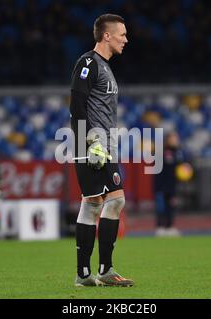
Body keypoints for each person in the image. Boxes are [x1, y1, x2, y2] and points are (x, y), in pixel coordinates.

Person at [69, 14, 132, 287]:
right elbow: (77, 106)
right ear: (106, 35)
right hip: (93, 146)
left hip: (104, 147)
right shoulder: (88, 63)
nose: (126, 39)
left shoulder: (105, 67)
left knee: (93, 204)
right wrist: (89, 141)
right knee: (111, 202)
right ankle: (102, 271)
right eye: (122, 34)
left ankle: (86, 274)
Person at [153, 131, 186, 236]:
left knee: (171, 207)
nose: (175, 141)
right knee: (161, 207)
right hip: (161, 185)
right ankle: (160, 227)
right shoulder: (162, 152)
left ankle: (170, 226)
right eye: (173, 138)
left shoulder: (179, 153)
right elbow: (159, 172)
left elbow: (181, 168)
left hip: (173, 185)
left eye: (176, 138)